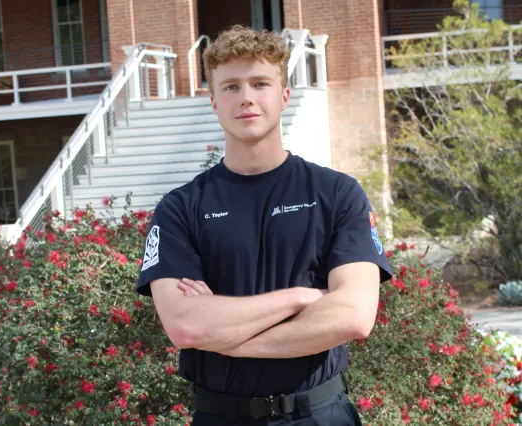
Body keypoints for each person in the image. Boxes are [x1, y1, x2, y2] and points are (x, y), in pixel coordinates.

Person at [137, 25, 393, 426]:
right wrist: (300, 298)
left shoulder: (337, 194)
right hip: (221, 416)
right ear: (214, 102)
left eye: (260, 83)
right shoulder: (180, 209)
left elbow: (353, 316)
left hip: (319, 414)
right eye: (232, 87)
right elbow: (186, 325)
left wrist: (228, 340)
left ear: (284, 96)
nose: (247, 98)